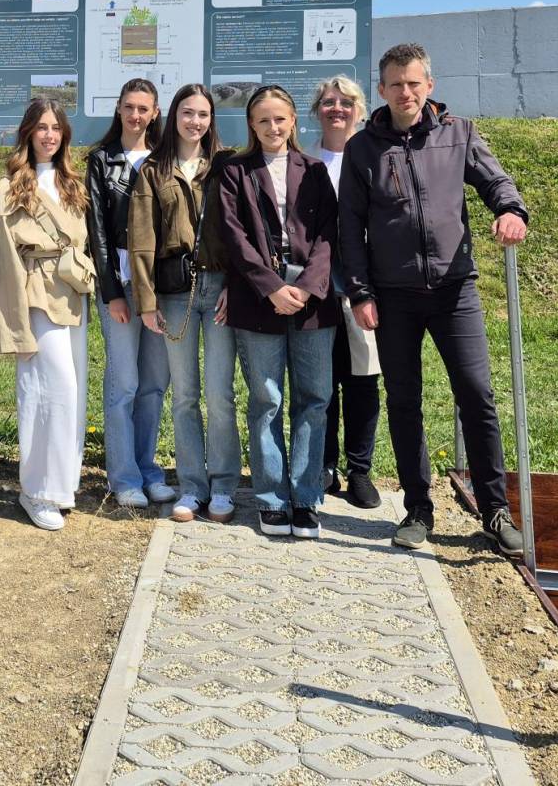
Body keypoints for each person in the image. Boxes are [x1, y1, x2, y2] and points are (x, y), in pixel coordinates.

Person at [337, 43, 530, 558]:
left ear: (430, 86)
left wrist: (511, 210)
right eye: (396, 84)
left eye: (414, 83)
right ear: (382, 90)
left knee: (477, 395)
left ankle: (494, 510)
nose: (406, 92)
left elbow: (495, 181)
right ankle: (418, 509)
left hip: (454, 290)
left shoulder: (458, 133)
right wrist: (360, 292)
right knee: (404, 401)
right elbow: (349, 227)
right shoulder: (362, 149)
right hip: (393, 296)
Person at [217, 85, 339, 539]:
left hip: (312, 301)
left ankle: (306, 499)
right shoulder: (235, 171)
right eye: (264, 120)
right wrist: (271, 287)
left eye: (280, 118)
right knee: (266, 400)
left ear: (293, 121)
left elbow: (329, 235)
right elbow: (233, 235)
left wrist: (304, 288)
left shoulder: (315, 171)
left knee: (314, 399)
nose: (273, 127)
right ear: (251, 124)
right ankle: (271, 498)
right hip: (258, 298)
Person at [129, 84, 238, 525]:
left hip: (221, 287)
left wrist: (237, 286)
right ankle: (193, 486)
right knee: (185, 395)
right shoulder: (153, 171)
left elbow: (242, 231)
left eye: (203, 114)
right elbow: (141, 241)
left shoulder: (226, 166)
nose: (195, 121)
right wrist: (146, 300)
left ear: (212, 120)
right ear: (173, 116)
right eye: (188, 113)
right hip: (175, 293)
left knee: (220, 393)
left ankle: (224, 485)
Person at [0, 98, 93, 532]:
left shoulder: (74, 183)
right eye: (41, 127)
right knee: (46, 389)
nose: (49, 135)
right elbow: (5, 255)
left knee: (72, 390)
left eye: (55, 128)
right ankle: (37, 490)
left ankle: (62, 483)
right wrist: (12, 319)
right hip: (34, 290)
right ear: (28, 133)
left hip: (72, 291)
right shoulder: (10, 186)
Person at [86, 78, 172, 508]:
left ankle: (148, 470)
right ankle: (123, 479)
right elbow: (97, 233)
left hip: (162, 287)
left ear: (155, 113)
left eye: (144, 108)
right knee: (125, 383)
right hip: (120, 283)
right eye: (129, 107)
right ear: (118, 108)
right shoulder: (101, 161)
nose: (136, 115)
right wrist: (111, 293)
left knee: (154, 383)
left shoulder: (165, 158)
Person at [310, 76, 383, 509]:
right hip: (316, 290)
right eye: (328, 101)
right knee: (320, 382)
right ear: (316, 110)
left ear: (360, 109)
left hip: (363, 289)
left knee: (362, 381)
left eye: (346, 101)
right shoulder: (304, 160)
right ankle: (324, 465)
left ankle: (360, 471)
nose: (337, 108)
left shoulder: (373, 157)